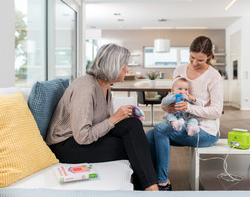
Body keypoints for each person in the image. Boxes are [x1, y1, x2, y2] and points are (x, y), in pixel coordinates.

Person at [46, 43, 158, 191]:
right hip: (67, 146)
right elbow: (83, 136)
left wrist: (122, 117)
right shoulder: (86, 88)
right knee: (133, 147)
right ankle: (151, 190)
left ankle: (149, 188)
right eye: (124, 65)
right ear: (112, 66)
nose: (128, 69)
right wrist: (115, 118)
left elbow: (100, 123)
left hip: (83, 140)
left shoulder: (104, 87)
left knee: (133, 125)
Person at [146, 36, 223, 191]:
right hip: (181, 122)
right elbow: (172, 97)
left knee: (160, 130)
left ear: (209, 57)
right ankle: (150, 178)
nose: (194, 63)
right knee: (149, 135)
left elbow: (216, 111)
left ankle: (162, 183)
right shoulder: (180, 70)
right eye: (192, 57)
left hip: (205, 130)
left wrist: (188, 108)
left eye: (200, 60)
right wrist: (168, 108)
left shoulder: (214, 76)